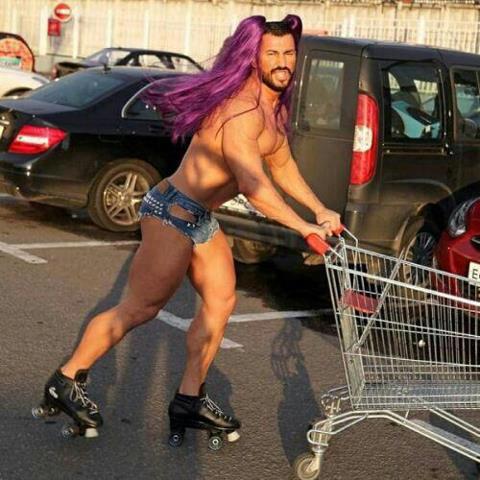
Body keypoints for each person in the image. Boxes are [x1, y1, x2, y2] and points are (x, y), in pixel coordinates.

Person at [35, 14, 341, 445]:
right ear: (253, 58)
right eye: (272, 53)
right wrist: (302, 226)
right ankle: (65, 380)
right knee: (140, 308)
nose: (282, 61)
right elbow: (255, 187)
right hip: (170, 212)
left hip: (199, 218)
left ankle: (189, 399)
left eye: (288, 53)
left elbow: (282, 163)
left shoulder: (273, 108)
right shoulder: (241, 111)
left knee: (221, 301)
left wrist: (320, 208)